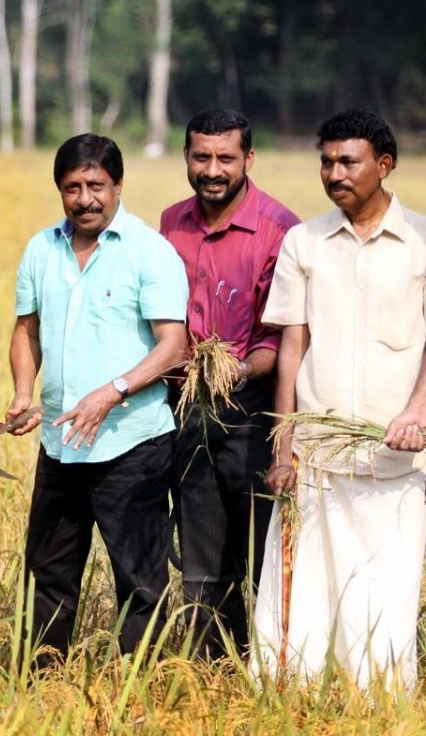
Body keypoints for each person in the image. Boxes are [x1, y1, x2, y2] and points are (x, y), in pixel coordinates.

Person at [255, 109, 426, 689]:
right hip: (316, 457)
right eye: (326, 161)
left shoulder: (422, 242)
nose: (334, 173)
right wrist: (284, 447)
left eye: (348, 161)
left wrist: (419, 410)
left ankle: (379, 702)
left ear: (385, 164)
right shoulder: (304, 242)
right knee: (308, 590)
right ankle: (294, 698)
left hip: (393, 454)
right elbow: (291, 349)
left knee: (386, 586)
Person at [7, 134, 188, 666]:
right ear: (59, 190)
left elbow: (173, 346)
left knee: (140, 580)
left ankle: (135, 692)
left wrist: (112, 393)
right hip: (61, 446)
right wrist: (23, 390)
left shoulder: (149, 250)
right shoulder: (42, 249)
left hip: (132, 446)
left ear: (118, 185)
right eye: (72, 187)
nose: (85, 198)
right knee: (47, 576)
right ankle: (38, 689)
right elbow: (26, 331)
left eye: (96, 186)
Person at [159, 109, 300, 660]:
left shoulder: (279, 230)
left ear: (248, 159)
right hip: (185, 406)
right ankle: (207, 673)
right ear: (187, 157)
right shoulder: (171, 223)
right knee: (199, 553)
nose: (212, 169)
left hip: (252, 407)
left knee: (261, 550)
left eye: (225, 158)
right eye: (201, 157)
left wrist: (234, 371)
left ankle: (271, 668)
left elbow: (281, 338)